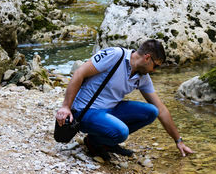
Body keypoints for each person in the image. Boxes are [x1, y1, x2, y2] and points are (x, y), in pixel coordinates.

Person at [56, 39, 193, 159]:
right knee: (121, 132)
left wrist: (178, 140)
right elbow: (80, 72)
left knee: (152, 111)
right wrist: (66, 107)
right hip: (85, 111)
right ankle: (94, 143)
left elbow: (161, 109)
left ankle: (105, 142)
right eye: (155, 65)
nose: (154, 70)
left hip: (110, 109)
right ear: (147, 58)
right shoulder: (115, 55)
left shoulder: (143, 78)